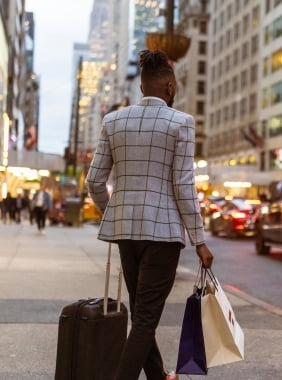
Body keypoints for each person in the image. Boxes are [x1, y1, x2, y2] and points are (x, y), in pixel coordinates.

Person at [85, 49, 213, 380]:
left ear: (141, 88)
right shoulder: (181, 123)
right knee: (145, 318)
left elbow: (94, 181)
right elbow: (184, 185)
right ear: (170, 86)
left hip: (126, 233)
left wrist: (113, 211)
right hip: (163, 236)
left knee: (143, 315)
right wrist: (199, 240)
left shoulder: (113, 121)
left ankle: (159, 377)